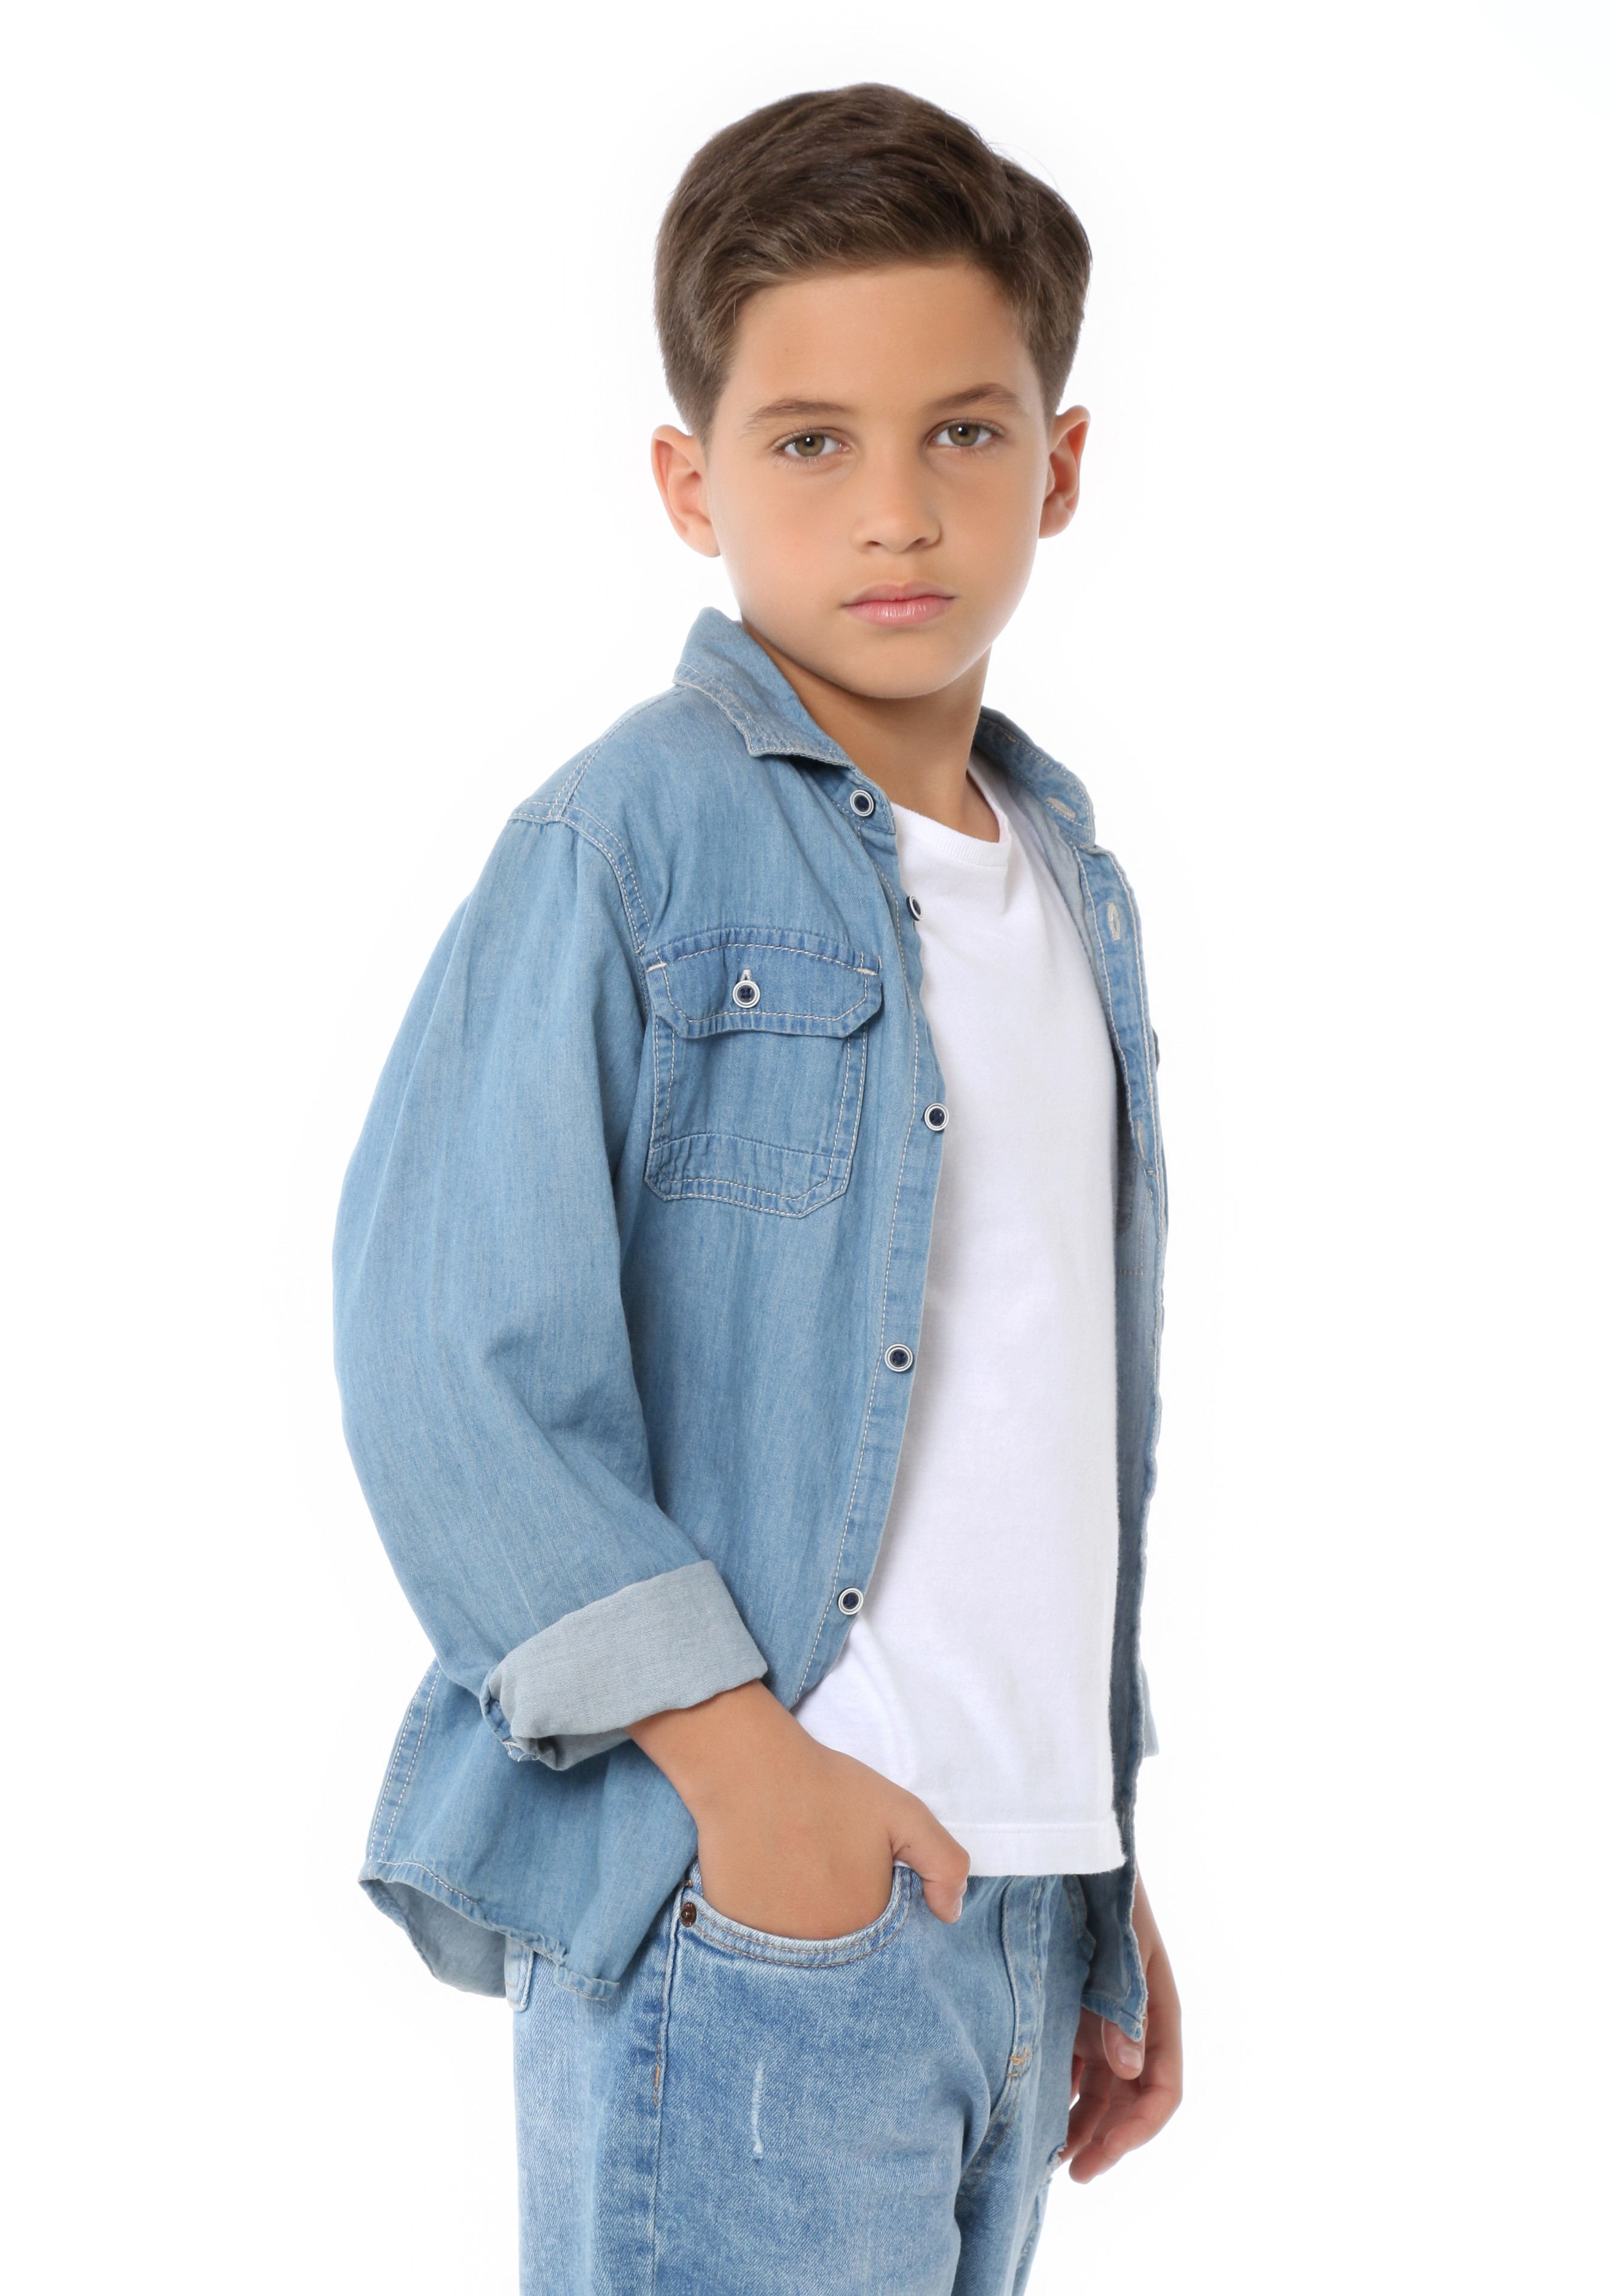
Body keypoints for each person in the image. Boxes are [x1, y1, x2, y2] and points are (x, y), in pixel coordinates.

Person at [335, 81, 1182, 2294]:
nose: (895, 509)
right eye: (811, 441)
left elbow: (1025, 1420)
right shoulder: (627, 844)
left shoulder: (1065, 881)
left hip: (1012, 1906)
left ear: (1060, 465)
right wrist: (746, 1776)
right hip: (759, 1916)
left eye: (964, 432)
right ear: (689, 480)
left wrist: (1092, 1863)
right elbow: (447, 1353)